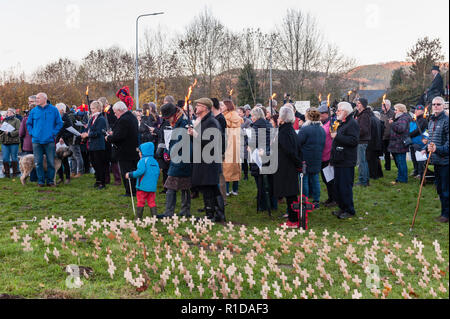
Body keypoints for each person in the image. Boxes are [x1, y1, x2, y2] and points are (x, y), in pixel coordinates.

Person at [188, 98, 224, 222]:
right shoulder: (204, 121)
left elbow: (211, 142)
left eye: (198, 105)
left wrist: (195, 135)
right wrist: (192, 135)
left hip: (209, 162)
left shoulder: (211, 122)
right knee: (209, 187)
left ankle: (212, 215)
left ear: (205, 107)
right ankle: (215, 213)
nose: (196, 107)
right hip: (203, 161)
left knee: (210, 188)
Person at [156, 103, 192, 219]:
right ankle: (184, 211)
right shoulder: (177, 121)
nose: (167, 120)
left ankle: (170, 212)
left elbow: (181, 140)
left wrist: (172, 151)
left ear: (173, 114)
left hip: (182, 157)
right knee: (184, 185)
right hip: (179, 157)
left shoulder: (183, 122)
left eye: (167, 118)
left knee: (172, 185)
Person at [330, 102, 360, 219]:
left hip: (346, 160)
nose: (337, 112)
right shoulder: (342, 123)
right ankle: (342, 207)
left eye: (339, 110)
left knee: (345, 186)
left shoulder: (352, 124)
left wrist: (337, 136)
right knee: (338, 186)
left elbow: (353, 141)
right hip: (339, 159)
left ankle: (349, 209)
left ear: (345, 112)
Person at [26, 92, 63, 187]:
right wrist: (32, 133)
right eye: (36, 98)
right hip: (36, 141)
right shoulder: (34, 111)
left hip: (49, 141)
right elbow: (28, 124)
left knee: (51, 162)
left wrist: (53, 133)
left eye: (38, 98)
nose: (36, 100)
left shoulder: (54, 110)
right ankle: (41, 182)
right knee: (38, 162)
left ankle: (50, 181)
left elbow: (59, 123)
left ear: (44, 99)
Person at [105, 101, 139, 196]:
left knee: (126, 172)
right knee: (133, 171)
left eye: (115, 112)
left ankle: (130, 192)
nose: (115, 115)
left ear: (120, 110)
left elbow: (120, 136)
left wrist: (109, 138)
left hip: (125, 151)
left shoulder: (124, 120)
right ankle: (134, 190)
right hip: (132, 149)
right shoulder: (132, 117)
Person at [275, 106, 301, 228]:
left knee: (290, 194)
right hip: (287, 165)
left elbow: (290, 151)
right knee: (290, 193)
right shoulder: (287, 129)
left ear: (283, 118)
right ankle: (293, 217)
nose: (278, 118)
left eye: (279, 116)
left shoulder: (285, 132)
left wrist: (298, 164)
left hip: (287, 167)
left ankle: (293, 220)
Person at [248, 107, 277, 213]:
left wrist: (248, 144)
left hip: (258, 156)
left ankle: (262, 205)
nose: (251, 118)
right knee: (270, 182)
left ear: (256, 116)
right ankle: (273, 204)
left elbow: (252, 143)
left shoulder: (255, 127)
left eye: (252, 116)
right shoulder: (269, 124)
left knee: (260, 183)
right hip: (269, 155)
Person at [297, 107, 326, 209]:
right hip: (317, 157)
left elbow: (298, 143)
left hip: (305, 158)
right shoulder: (322, 130)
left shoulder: (305, 129)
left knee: (304, 180)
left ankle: (304, 200)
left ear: (308, 116)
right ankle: (316, 201)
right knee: (315, 179)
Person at [426, 96, 448, 223]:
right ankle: (444, 212)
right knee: (439, 189)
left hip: (446, 161)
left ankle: (446, 215)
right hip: (436, 161)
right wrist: (426, 147)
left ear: (443, 106)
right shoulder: (431, 121)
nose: (435, 106)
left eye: (438, 104)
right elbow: (431, 139)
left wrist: (437, 149)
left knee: (445, 190)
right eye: (434, 104)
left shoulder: (446, 121)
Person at [125, 142, 160, 220]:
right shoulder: (155, 161)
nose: (139, 154)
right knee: (152, 202)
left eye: (140, 152)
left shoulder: (142, 161)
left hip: (142, 187)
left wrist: (130, 174)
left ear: (143, 152)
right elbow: (157, 172)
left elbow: (140, 171)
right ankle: (155, 218)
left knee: (140, 201)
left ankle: (138, 218)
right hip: (152, 187)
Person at [81, 101, 107, 190]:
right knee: (94, 164)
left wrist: (88, 134)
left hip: (99, 145)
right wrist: (85, 133)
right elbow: (89, 129)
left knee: (100, 164)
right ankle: (98, 180)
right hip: (91, 144)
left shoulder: (101, 119)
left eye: (93, 108)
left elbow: (99, 132)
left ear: (98, 108)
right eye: (91, 108)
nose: (91, 110)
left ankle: (102, 183)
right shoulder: (92, 118)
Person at [222, 100, 243, 196]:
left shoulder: (225, 117)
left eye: (223, 105)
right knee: (235, 166)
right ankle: (235, 190)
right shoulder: (237, 117)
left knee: (226, 167)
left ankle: (226, 190)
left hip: (228, 144)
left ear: (227, 106)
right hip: (236, 144)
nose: (221, 107)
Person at [318, 102, 336, 207]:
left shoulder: (332, 123)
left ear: (326, 114)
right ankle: (330, 198)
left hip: (329, 155)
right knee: (325, 179)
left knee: (330, 179)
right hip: (323, 155)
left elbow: (334, 138)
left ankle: (334, 199)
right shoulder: (324, 123)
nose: (320, 116)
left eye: (321, 114)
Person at [387, 104, 411, 184]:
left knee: (401, 162)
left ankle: (403, 179)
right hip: (398, 143)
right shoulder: (400, 118)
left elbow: (401, 129)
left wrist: (392, 123)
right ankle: (400, 177)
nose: (394, 111)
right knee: (399, 162)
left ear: (401, 110)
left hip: (400, 144)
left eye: (396, 110)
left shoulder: (403, 118)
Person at [55, 103, 74, 184]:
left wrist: (63, 137)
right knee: (58, 159)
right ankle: (60, 177)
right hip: (56, 142)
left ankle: (68, 178)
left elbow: (71, 131)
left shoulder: (67, 118)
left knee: (65, 161)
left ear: (62, 110)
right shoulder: (56, 117)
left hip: (64, 143)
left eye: (57, 109)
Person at [354, 98, 371, 187]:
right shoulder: (360, 114)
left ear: (363, 105)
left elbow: (363, 130)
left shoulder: (364, 116)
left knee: (361, 162)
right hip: (361, 141)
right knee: (363, 161)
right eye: (357, 103)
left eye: (359, 103)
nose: (357, 104)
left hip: (361, 141)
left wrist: (354, 133)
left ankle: (362, 181)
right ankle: (365, 180)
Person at [0, 108, 21, 177]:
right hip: (4, 142)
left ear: (13, 113)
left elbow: (19, 131)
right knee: (5, 158)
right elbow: (1, 131)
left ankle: (16, 173)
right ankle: (7, 173)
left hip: (14, 142)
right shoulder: (4, 120)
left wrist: (10, 133)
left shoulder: (17, 120)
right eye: (7, 112)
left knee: (14, 157)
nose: (7, 113)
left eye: (9, 112)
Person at [409, 105, 428, 179]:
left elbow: (417, 131)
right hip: (412, 141)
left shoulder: (423, 120)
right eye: (416, 110)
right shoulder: (414, 119)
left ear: (423, 111)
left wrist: (409, 135)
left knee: (420, 159)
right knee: (413, 157)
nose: (416, 111)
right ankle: (416, 170)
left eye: (418, 110)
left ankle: (420, 173)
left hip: (419, 142)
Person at [367, 107, 384, 179]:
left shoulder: (371, 119)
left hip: (372, 142)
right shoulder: (376, 119)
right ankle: (379, 174)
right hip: (377, 142)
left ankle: (373, 175)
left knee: (372, 160)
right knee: (376, 159)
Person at [238, 107, 252, 180]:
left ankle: (246, 175)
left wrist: (240, 131)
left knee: (244, 160)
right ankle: (237, 175)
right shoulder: (235, 121)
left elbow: (248, 132)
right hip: (237, 142)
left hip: (244, 143)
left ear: (244, 113)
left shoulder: (248, 121)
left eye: (240, 112)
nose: (238, 113)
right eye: (238, 112)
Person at [380, 99, 395, 171]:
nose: (383, 106)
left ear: (388, 106)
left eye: (384, 105)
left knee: (394, 153)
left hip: (391, 136)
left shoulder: (393, 113)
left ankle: (398, 166)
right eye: (382, 105)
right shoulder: (381, 113)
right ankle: (387, 167)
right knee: (386, 153)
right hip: (383, 136)